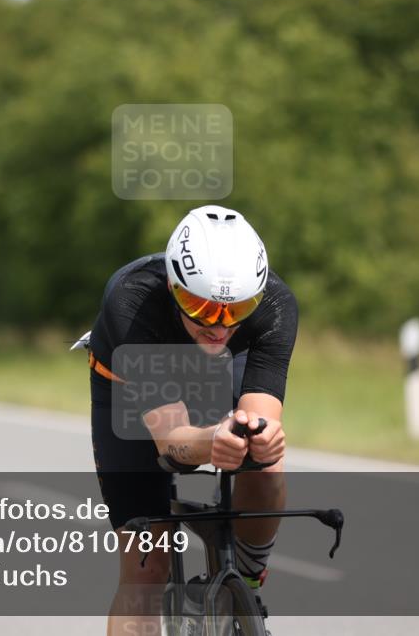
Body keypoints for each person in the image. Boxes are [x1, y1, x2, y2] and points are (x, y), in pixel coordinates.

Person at [88, 205, 297, 635]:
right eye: (199, 306)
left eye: (236, 309)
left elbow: (261, 417)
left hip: (221, 370)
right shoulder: (132, 298)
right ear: (173, 286)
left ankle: (247, 578)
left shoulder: (276, 305)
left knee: (264, 461)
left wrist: (259, 440)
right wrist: (213, 439)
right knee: (146, 571)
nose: (219, 326)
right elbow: (171, 442)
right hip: (129, 389)